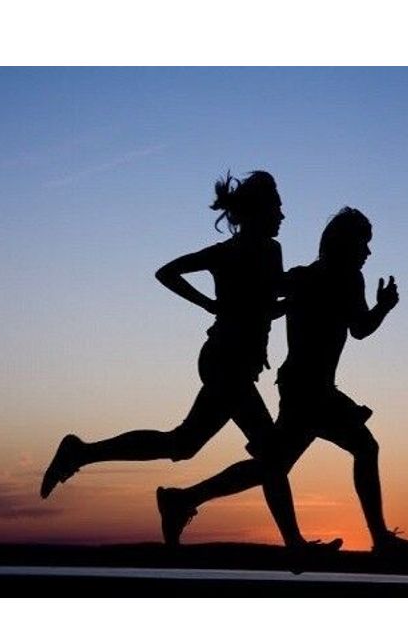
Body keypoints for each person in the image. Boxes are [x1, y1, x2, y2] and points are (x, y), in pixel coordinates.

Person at [156, 207, 408, 556]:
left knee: (272, 466)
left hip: (310, 388)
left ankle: (183, 499)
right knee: (361, 448)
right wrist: (225, 307)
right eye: (364, 243)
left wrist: (383, 307)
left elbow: (359, 328)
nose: (368, 252)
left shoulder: (337, 279)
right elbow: (264, 298)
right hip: (307, 391)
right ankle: (381, 539)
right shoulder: (313, 278)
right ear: (344, 244)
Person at [40, 170, 289, 500]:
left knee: (184, 444)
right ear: (259, 211)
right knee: (272, 454)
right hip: (225, 362)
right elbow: (167, 272)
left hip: (237, 365)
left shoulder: (271, 251)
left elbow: (267, 306)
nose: (282, 215)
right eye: (277, 207)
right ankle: (181, 501)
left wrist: (297, 295)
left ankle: (83, 453)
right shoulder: (229, 253)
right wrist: (209, 304)